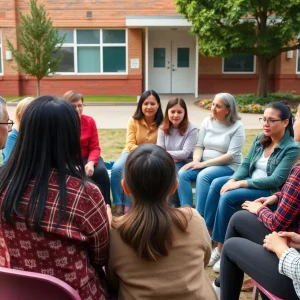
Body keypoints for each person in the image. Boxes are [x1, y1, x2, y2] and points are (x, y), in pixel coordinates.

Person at [0, 96, 109, 300]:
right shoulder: (84, 194)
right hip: (76, 294)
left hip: (16, 294)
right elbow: (102, 256)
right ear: (70, 136)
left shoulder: (3, 182)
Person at [107, 144, 218, 300]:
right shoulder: (193, 219)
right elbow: (204, 260)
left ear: (125, 187)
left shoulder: (115, 232)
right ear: (175, 187)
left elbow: (112, 280)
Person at [208, 102, 300, 273]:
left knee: (228, 197)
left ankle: (221, 249)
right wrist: (233, 179)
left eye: (271, 120)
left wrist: (241, 183)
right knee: (216, 184)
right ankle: (209, 235)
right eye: (263, 119)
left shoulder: (292, 147)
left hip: (268, 190)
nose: (265, 124)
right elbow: (246, 164)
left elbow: (275, 179)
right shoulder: (260, 138)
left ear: (285, 122)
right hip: (251, 180)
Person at [213, 155, 300, 299]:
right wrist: (278, 196)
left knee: (230, 247)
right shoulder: (262, 142)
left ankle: (222, 282)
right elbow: (245, 165)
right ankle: (220, 283)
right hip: (293, 246)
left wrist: (259, 209)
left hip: (293, 277)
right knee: (238, 218)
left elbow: (277, 223)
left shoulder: (290, 152)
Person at [177, 93, 245, 212]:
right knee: (183, 173)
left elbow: (230, 156)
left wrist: (203, 164)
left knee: (204, 176)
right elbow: (199, 146)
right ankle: (186, 212)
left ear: (228, 110)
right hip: (204, 163)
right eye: (213, 104)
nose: (213, 108)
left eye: (218, 106)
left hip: (228, 166)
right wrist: (196, 161)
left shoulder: (237, 127)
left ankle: (199, 216)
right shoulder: (207, 121)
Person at [111, 90, 163, 216]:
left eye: (152, 103)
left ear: (158, 105)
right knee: (117, 168)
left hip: (153, 156)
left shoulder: (163, 122)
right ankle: (119, 203)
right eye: (146, 103)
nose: (149, 107)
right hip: (131, 151)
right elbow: (130, 143)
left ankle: (129, 205)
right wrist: (141, 153)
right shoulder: (133, 120)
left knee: (134, 170)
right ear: (140, 105)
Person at [63, 90, 111, 205]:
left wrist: (90, 163)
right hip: (68, 159)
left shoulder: (89, 121)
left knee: (101, 172)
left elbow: (95, 147)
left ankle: (105, 205)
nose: (77, 109)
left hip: (86, 157)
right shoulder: (61, 123)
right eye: (73, 106)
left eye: (80, 105)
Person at [157, 97, 197, 207]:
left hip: (185, 162)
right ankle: (157, 205)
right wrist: (170, 155)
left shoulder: (191, 129)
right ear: (167, 112)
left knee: (173, 172)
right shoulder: (162, 128)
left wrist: (167, 153)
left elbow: (185, 153)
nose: (176, 115)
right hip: (167, 161)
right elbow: (159, 150)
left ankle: (174, 206)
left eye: (179, 112)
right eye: (173, 111)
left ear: (184, 113)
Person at [2, 97, 35, 164]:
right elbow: (9, 164)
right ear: (20, 116)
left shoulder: (31, 134)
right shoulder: (12, 138)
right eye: (33, 117)